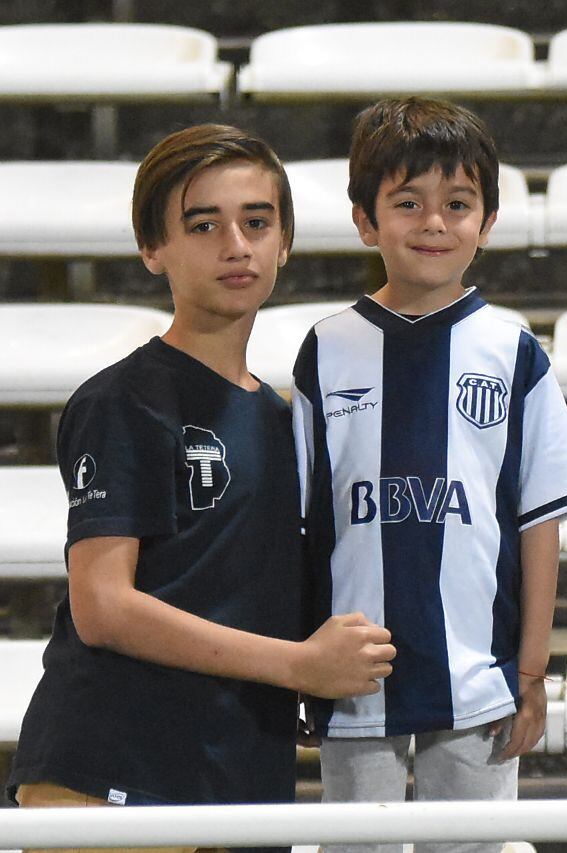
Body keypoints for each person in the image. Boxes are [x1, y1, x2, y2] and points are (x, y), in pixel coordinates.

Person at [6, 124, 397, 834]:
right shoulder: (121, 400)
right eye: (202, 224)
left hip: (240, 776)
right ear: (152, 249)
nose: (236, 245)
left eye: (257, 221)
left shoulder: (288, 420)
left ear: (285, 242)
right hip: (114, 772)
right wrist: (300, 666)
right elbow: (104, 606)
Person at [292, 97, 567, 853]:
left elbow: (539, 523)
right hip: (353, 675)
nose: (435, 223)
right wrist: (301, 656)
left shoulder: (513, 351)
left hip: (479, 676)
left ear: (488, 221)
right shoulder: (326, 349)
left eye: (457, 204)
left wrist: (532, 670)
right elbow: (301, 523)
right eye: (408, 203)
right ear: (366, 220)